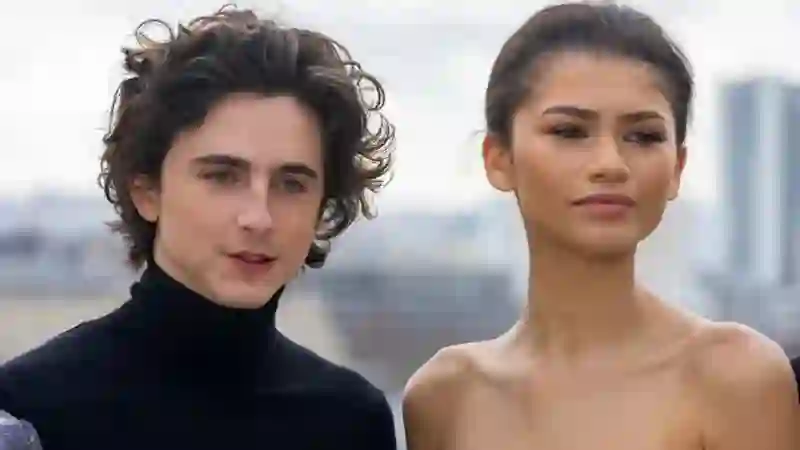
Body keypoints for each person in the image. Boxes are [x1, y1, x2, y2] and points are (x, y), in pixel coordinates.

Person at [402, 3, 800, 449]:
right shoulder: (444, 396)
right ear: (499, 159)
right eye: (569, 132)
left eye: (644, 136)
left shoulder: (735, 377)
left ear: (677, 168)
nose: (610, 164)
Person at [0, 6, 397, 450]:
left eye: (292, 184)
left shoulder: (352, 422)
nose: (259, 217)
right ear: (146, 192)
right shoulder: (30, 409)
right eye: (222, 176)